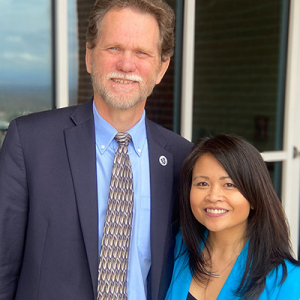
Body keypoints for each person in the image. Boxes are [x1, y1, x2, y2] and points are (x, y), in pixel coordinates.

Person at [0, 0, 192, 299]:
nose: (127, 65)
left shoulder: (182, 158)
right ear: (89, 56)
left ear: (161, 67)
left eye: (142, 52)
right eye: (114, 48)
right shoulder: (30, 142)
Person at [165, 134, 300, 300]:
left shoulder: (288, 280)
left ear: (254, 197)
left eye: (229, 184)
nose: (213, 196)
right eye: (202, 183)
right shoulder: (176, 248)